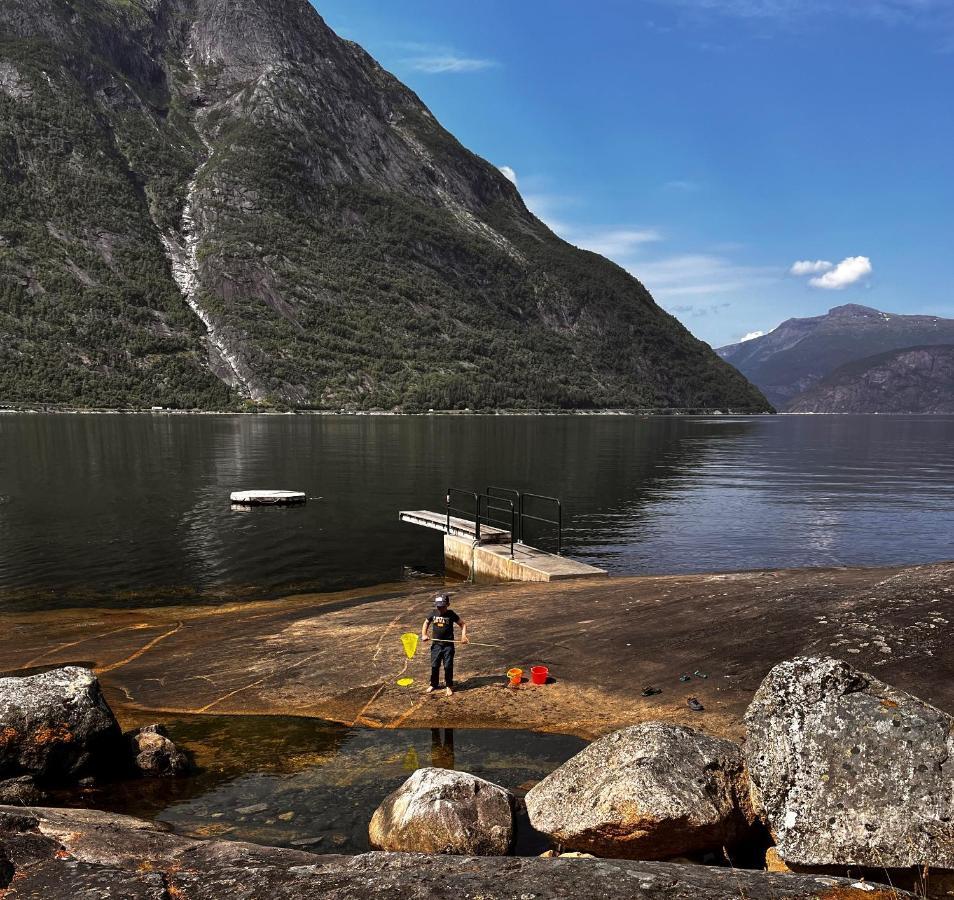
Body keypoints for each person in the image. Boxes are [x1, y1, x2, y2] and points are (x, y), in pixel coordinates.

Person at [421, 592, 468, 696]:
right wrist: (424, 634)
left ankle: (449, 685)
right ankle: (433, 684)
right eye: (438, 606)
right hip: (436, 645)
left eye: (442, 606)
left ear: (448, 604)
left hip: (448, 646)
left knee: (448, 666)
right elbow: (426, 622)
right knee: (434, 665)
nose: (440, 609)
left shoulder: (451, 614)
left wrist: (463, 636)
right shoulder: (433, 613)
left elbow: (462, 624)